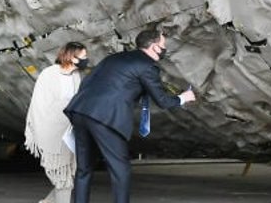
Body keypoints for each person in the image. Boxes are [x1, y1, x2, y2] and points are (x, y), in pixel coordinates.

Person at [64, 28, 196, 203]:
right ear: (155, 47)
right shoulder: (147, 66)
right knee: (121, 169)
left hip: (80, 110)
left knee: (84, 168)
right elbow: (162, 101)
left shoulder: (114, 58)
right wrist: (183, 97)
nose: (165, 49)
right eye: (163, 45)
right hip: (105, 118)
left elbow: (88, 81)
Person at [24, 41, 89, 203]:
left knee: (69, 176)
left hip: (70, 131)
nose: (86, 59)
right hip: (52, 132)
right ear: (72, 57)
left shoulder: (76, 76)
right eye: (83, 56)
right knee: (62, 177)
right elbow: (39, 106)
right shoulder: (49, 74)